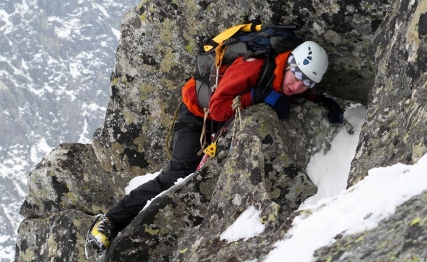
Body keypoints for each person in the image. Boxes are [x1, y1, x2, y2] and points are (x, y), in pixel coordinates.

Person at [86, 41, 343, 251]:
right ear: (289, 62)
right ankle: (109, 221)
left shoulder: (287, 80)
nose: (297, 85)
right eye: (297, 75)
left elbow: (293, 88)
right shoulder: (253, 68)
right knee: (180, 175)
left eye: (307, 82)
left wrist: (321, 100)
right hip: (196, 118)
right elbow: (217, 108)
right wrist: (256, 96)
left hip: (219, 124)